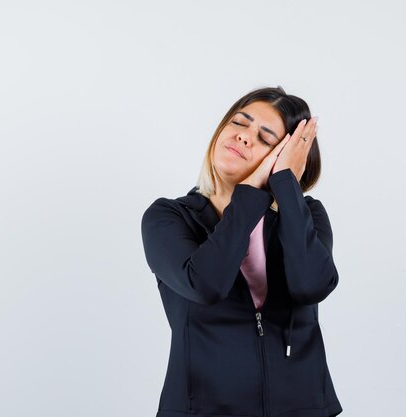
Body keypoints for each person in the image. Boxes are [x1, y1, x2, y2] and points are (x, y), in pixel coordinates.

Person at [141, 86, 342, 417]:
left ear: (287, 157)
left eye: (265, 138)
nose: (244, 137)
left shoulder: (306, 215)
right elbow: (205, 285)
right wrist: (248, 195)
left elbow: (311, 286)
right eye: (238, 122)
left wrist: (286, 189)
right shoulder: (169, 218)